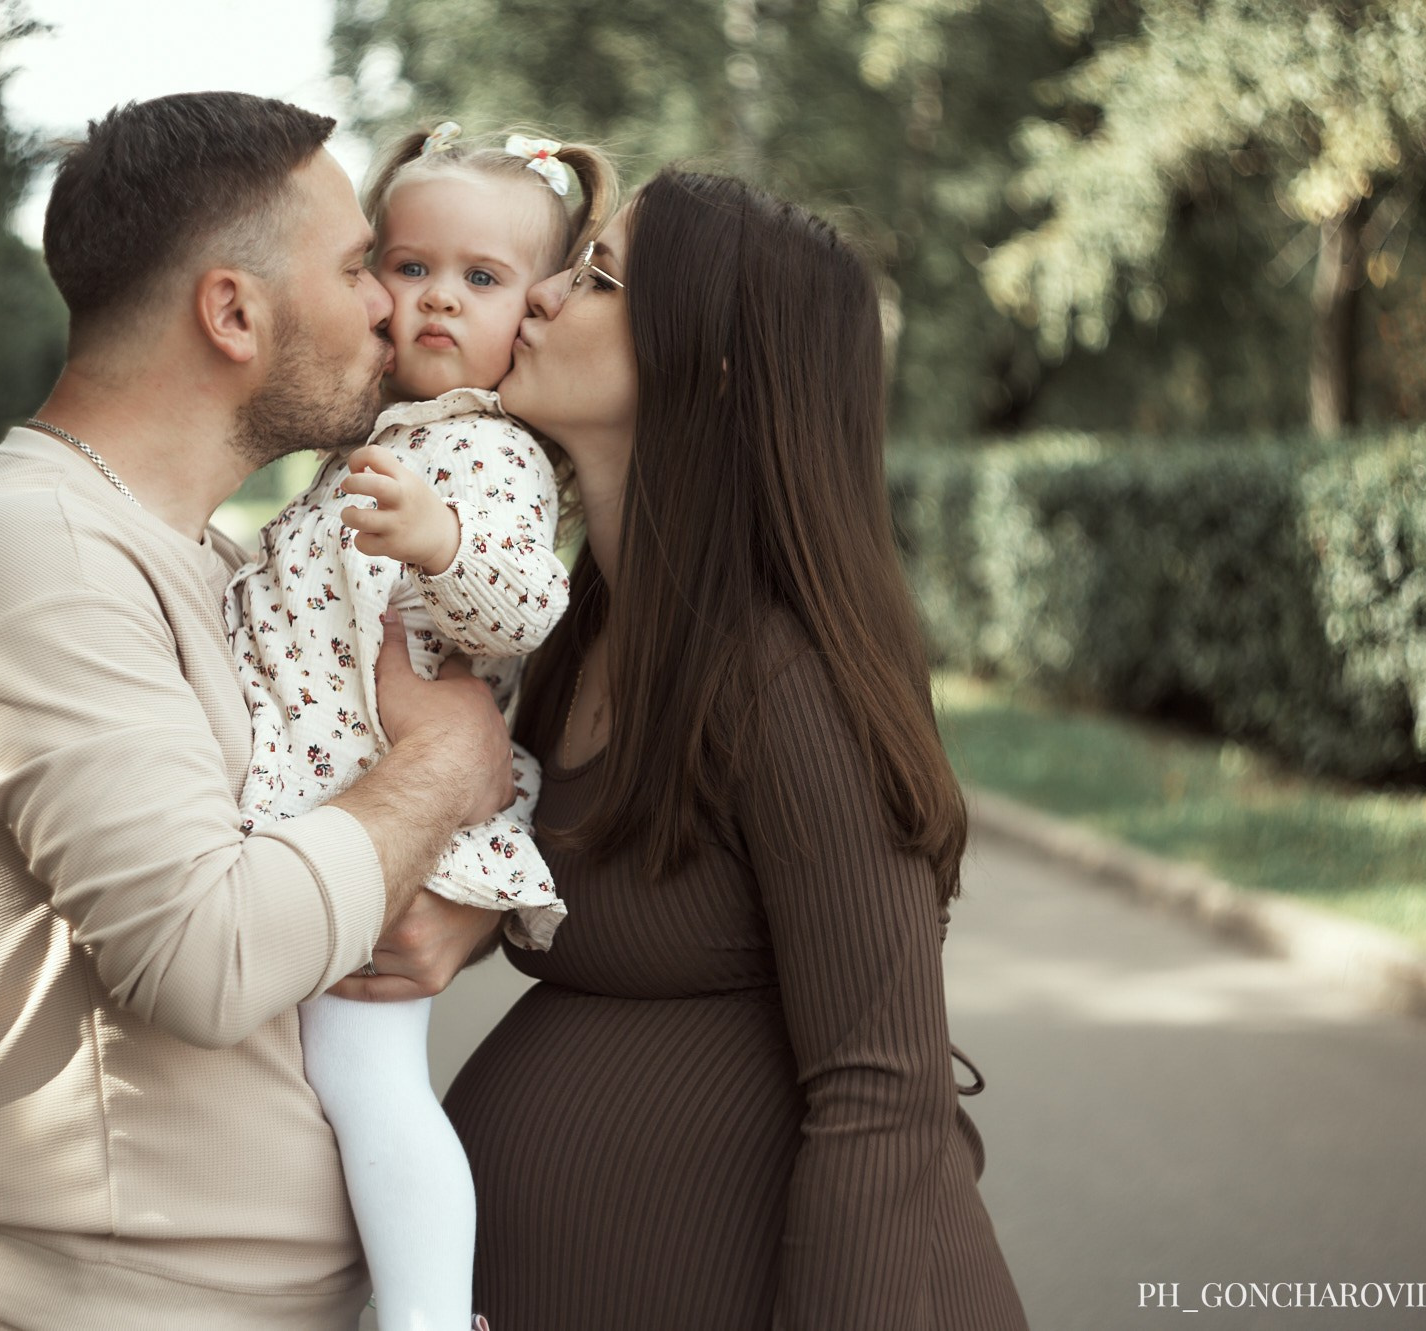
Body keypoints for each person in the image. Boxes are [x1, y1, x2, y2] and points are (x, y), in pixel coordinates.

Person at [0, 91, 510, 1331]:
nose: (391, 304)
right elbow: (204, 958)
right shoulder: (30, 554)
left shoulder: (201, 560)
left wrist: (448, 912)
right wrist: (441, 767)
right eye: (358, 265)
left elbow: (323, 873)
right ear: (231, 312)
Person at [441, 170, 1030, 1329]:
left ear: (704, 366)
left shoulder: (784, 684)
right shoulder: (573, 632)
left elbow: (881, 1087)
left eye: (597, 277)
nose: (541, 293)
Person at [229, 120, 615, 1330]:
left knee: (369, 1076)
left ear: (531, 312)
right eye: (410, 265)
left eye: (482, 277)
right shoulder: (381, 435)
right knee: (318, 1079)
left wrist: (442, 543)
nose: (439, 296)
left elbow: (526, 602)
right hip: (328, 797)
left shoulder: (489, 453)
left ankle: (430, 1315)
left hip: (390, 819)